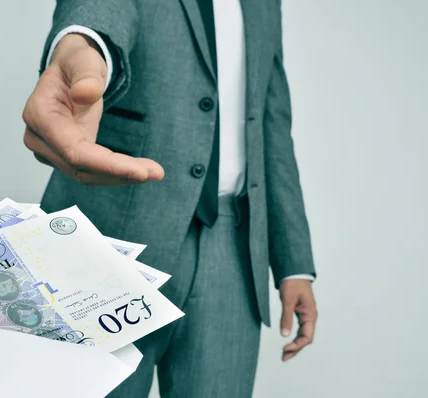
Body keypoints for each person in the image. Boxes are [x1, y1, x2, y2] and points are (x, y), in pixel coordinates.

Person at [22, 0, 318, 396]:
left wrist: (293, 264)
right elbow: (98, 11)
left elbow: (272, 124)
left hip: (234, 246)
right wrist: (82, 45)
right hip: (114, 229)